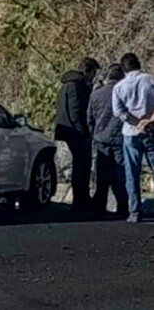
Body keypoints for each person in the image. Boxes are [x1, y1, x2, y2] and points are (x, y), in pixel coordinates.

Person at [112, 53, 154, 223]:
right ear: (139, 64)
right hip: (152, 130)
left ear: (124, 69)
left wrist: (135, 122)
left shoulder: (119, 87)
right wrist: (148, 120)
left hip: (130, 132)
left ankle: (134, 211)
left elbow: (118, 112)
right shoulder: (150, 80)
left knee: (132, 173)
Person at [55, 57, 101, 209]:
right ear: (87, 71)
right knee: (82, 164)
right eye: (93, 73)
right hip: (75, 132)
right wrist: (84, 134)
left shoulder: (67, 85)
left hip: (68, 130)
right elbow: (76, 112)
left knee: (79, 163)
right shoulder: (76, 86)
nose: (93, 77)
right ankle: (81, 198)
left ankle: (80, 197)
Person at [88, 64, 128, 215]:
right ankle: (123, 206)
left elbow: (89, 118)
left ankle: (100, 205)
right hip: (119, 139)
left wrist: (94, 133)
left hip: (101, 139)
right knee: (120, 174)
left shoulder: (97, 94)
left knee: (102, 174)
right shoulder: (124, 93)